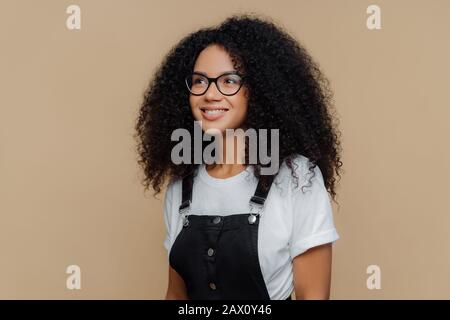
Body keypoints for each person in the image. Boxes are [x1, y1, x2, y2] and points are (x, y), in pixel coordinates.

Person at [134, 13, 343, 300]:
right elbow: (176, 296)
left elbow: (313, 296)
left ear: (259, 89)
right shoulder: (182, 186)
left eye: (229, 81)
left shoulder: (297, 177)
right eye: (199, 81)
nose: (210, 94)